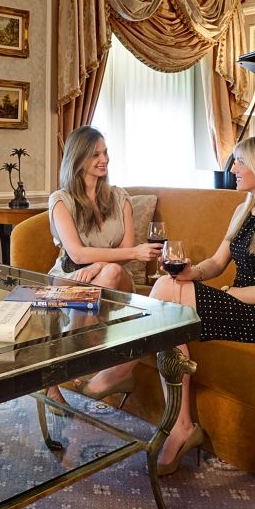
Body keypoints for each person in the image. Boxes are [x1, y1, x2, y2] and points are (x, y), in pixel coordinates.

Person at [79, 134, 255, 475]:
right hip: (238, 304)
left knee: (166, 294)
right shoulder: (244, 210)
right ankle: (183, 424)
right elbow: (215, 264)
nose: (234, 168)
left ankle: (121, 367)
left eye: (241, 161)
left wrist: (222, 294)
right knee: (169, 294)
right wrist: (190, 273)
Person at [43, 125, 162, 407]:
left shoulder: (120, 197)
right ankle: (78, 367)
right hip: (70, 275)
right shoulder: (61, 200)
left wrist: (98, 265)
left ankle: (66, 366)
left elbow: (125, 254)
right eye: (96, 154)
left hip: (118, 278)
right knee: (99, 275)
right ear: (78, 158)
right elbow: (76, 253)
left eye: (105, 152)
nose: (104, 159)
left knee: (110, 272)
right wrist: (97, 263)